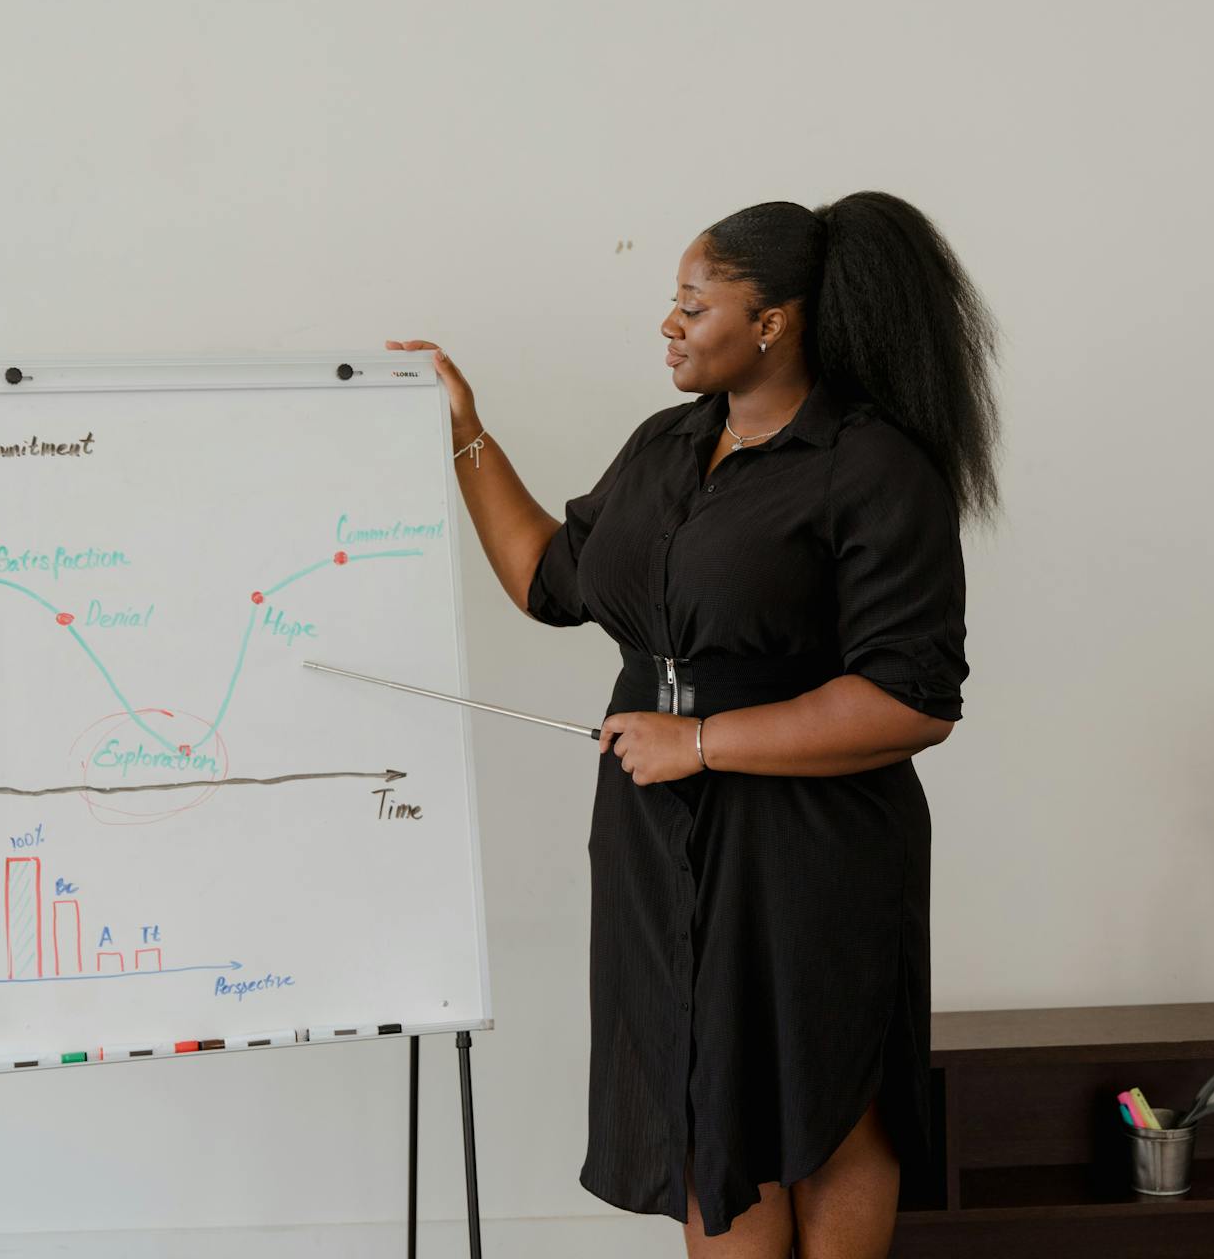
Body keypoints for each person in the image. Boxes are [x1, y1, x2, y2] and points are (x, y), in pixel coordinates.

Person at [387, 189, 1001, 1259]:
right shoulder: (665, 447)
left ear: (774, 322)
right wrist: (466, 435)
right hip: (658, 839)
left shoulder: (873, 466)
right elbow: (547, 578)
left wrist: (702, 741)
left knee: (828, 1092)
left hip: (816, 845)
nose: (668, 323)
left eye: (692, 302)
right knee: (702, 1091)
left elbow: (912, 698)